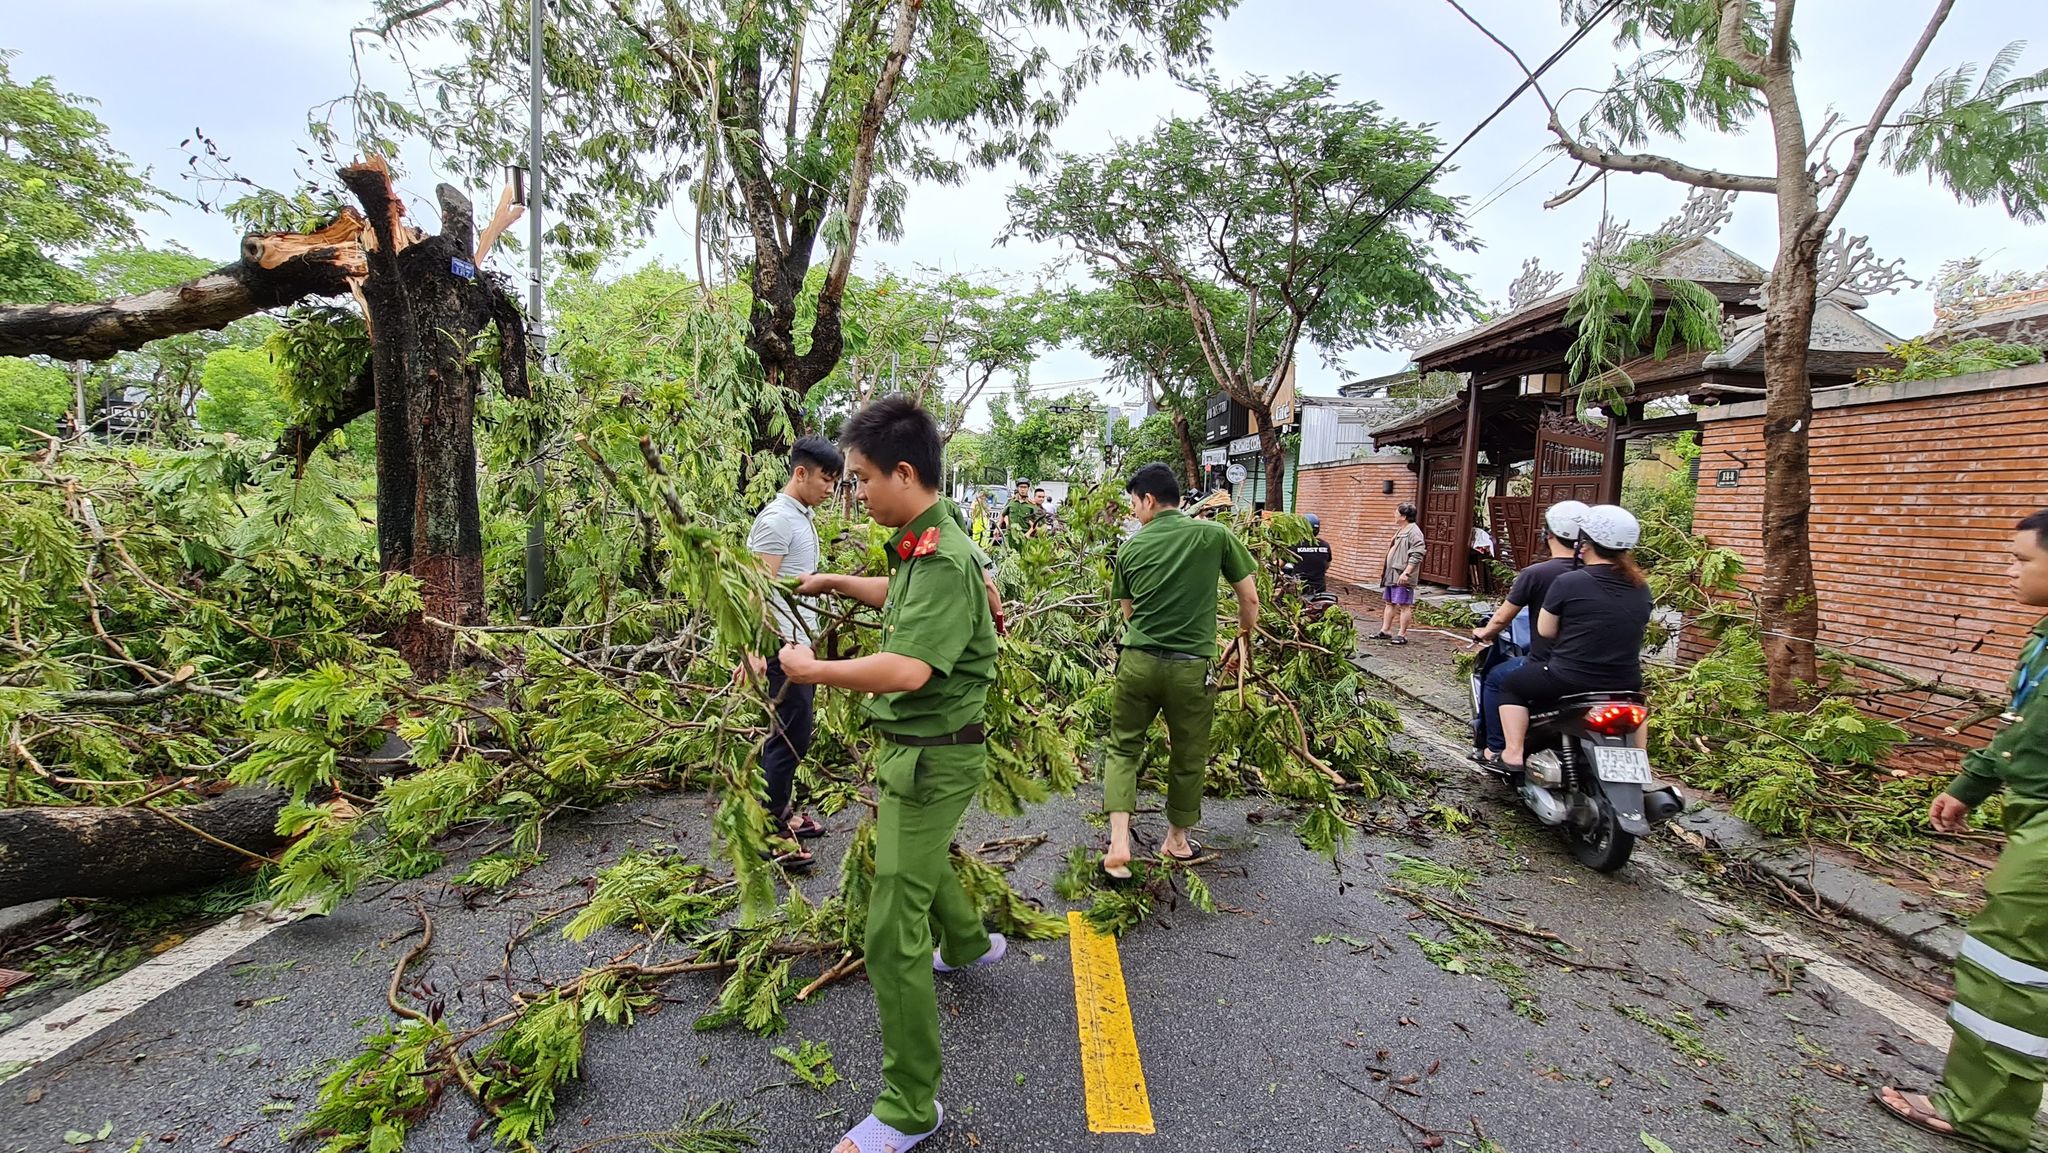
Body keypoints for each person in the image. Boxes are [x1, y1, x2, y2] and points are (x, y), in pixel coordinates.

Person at [777, 396, 1003, 1153]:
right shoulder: (925, 540)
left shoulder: (940, 554)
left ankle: (910, 1106)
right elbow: (904, 602)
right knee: (917, 857)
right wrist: (838, 583)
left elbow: (906, 667)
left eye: (864, 478)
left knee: (888, 931)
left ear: (905, 473)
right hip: (925, 751)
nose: (856, 491)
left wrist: (814, 667)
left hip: (932, 755)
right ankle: (968, 944)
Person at [1879, 510, 2048, 1153]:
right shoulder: (2044, 639)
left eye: (2021, 560)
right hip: (2031, 809)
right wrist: (1970, 785)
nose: (2010, 572)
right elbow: (2023, 728)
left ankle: (1983, 1112)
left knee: (2011, 966)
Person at [1100, 463, 1259, 878]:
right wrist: (1241, 639)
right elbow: (1250, 599)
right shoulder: (1214, 535)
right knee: (1188, 755)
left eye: (1134, 504)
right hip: (1191, 670)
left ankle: (1119, 842)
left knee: (1122, 748)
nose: (1135, 512)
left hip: (1137, 664)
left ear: (1149, 500)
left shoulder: (1132, 548)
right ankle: (1177, 841)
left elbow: (1128, 612)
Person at [737, 435, 844, 869]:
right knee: (788, 736)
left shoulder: (802, 515)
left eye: (835, 482)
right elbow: (755, 588)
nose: (830, 489)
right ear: (800, 473)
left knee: (795, 732)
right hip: (780, 644)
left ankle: (779, 813)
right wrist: (753, 649)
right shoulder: (778, 519)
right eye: (825, 479)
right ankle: (767, 833)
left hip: (801, 642)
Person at [1495, 504, 1652, 774]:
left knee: (1511, 685)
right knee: (1635, 704)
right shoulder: (1641, 586)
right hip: (1626, 682)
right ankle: (1640, 764)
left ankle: (1513, 752)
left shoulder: (1569, 581)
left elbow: (1546, 631)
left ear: (1586, 545)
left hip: (1568, 677)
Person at [1468, 501, 1587, 766]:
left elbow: (1502, 618)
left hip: (1553, 665)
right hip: (1608, 671)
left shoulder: (1538, 574)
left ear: (1547, 534)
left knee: (1498, 679)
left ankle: (1497, 749)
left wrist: (1484, 633)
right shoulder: (1601, 575)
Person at [1373, 504, 1426, 645]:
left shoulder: (1414, 532)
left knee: (1404, 604)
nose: (1394, 514)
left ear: (1404, 516)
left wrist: (1407, 573)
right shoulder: (1402, 530)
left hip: (1402, 574)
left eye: (1396, 512)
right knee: (1389, 602)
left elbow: (1417, 553)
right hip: (1392, 573)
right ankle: (1385, 630)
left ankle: (1402, 634)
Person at [1290, 513, 1333, 595]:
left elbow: (1280, 564)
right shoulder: (1325, 545)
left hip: (1299, 589)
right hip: (1320, 589)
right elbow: (1327, 565)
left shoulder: (1295, 545)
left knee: (1281, 601)